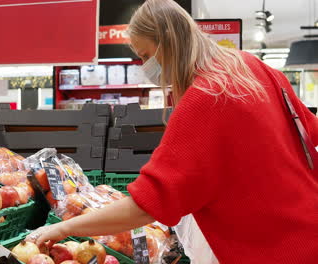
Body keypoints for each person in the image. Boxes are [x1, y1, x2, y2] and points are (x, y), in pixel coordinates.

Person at [26, 0, 318, 263]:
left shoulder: (205, 97)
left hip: (271, 250)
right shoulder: (253, 66)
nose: (145, 67)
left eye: (145, 55)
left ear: (167, 42)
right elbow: (311, 133)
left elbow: (146, 206)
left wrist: (65, 227)